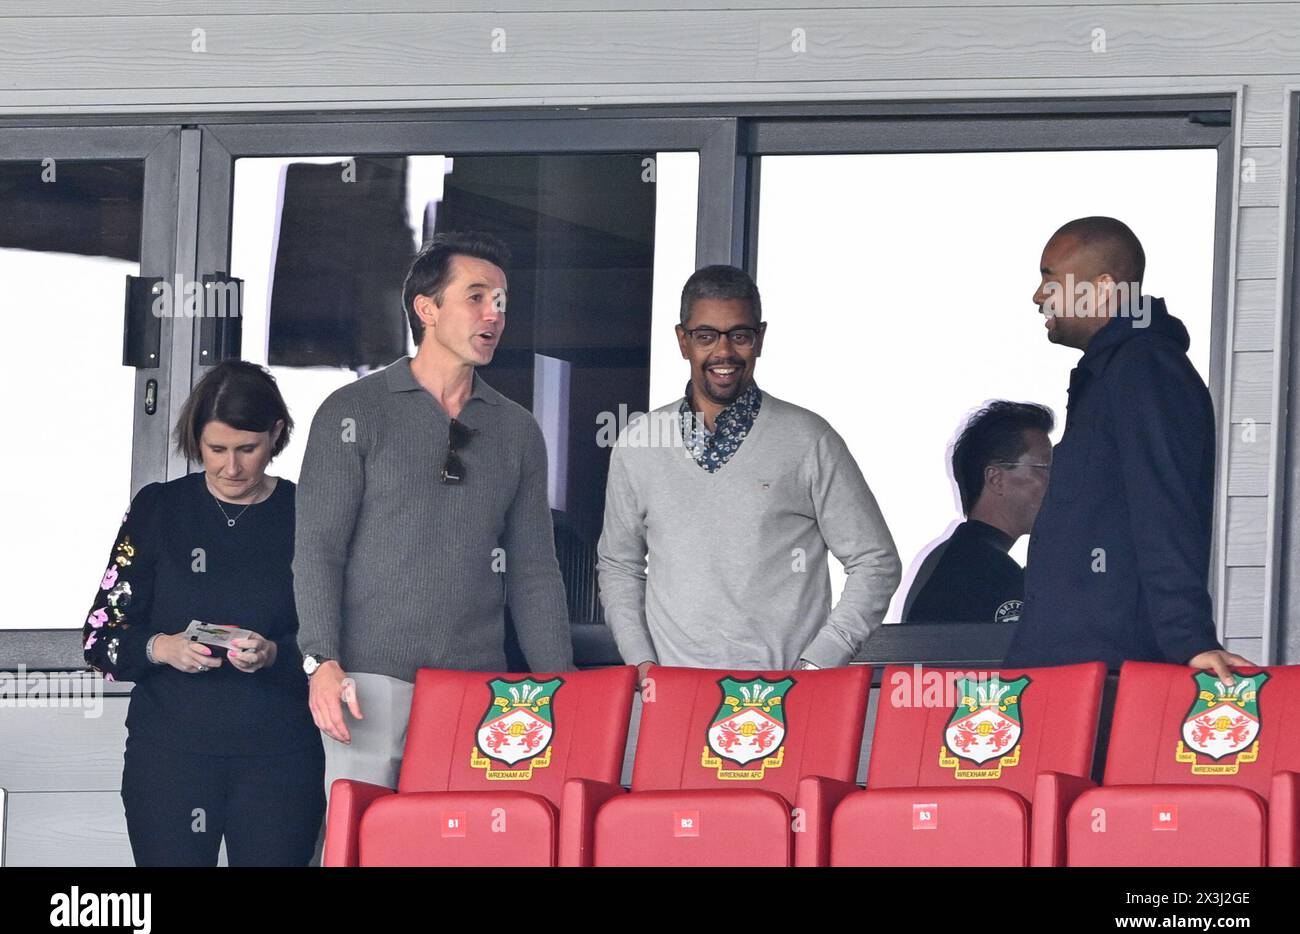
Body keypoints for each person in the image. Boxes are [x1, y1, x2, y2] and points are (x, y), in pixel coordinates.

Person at [295, 232, 574, 797]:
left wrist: (558, 688)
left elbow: (534, 571)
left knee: (462, 847)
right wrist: (321, 660)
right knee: (365, 845)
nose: (493, 313)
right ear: (427, 309)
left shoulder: (517, 429)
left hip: (478, 687)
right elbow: (318, 547)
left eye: (501, 300)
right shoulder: (352, 411)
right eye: (476, 296)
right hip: (366, 682)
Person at [597, 264, 901, 679]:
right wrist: (643, 666)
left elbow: (875, 561)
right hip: (673, 699)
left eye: (739, 335)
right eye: (705, 336)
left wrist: (818, 664)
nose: (724, 353)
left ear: (759, 339)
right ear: (682, 341)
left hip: (786, 697)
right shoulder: (637, 444)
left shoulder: (808, 439)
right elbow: (619, 566)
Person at [82, 360, 323, 866]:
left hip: (279, 758)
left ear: (276, 434)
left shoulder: (309, 514)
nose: (230, 468)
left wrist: (276, 653)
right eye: (216, 450)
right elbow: (100, 637)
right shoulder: (158, 509)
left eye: (247, 449)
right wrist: (161, 647)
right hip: (170, 757)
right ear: (196, 440)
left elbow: (342, 643)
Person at [1003, 216, 1252, 681]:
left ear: (1101, 287)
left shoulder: (1147, 369)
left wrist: (1189, 638)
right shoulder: (1111, 373)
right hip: (1067, 673)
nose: (1039, 297)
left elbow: (1165, 506)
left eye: (1049, 278)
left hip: (1110, 679)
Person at [903, 401, 1054, 624]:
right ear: (996, 479)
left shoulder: (956, 560)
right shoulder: (985, 572)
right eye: (1045, 468)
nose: (1055, 481)